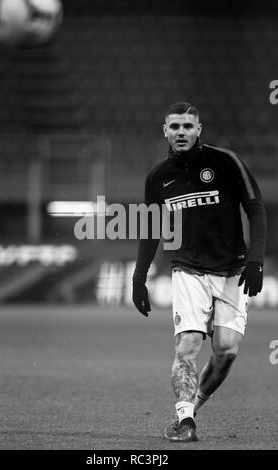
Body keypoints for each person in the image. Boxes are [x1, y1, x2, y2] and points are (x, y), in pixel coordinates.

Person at [132, 102, 267, 442]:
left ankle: (193, 407)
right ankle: (185, 420)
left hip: (232, 269)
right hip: (188, 269)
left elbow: (256, 208)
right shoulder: (159, 178)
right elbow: (150, 230)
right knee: (188, 345)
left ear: (199, 130)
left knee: (227, 350)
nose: (181, 132)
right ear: (165, 130)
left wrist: (256, 259)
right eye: (175, 126)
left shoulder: (226, 162)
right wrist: (139, 276)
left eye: (187, 126)